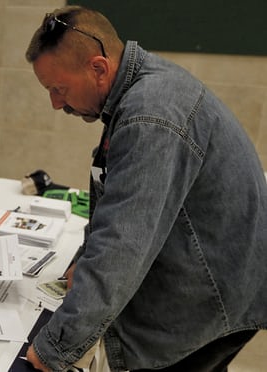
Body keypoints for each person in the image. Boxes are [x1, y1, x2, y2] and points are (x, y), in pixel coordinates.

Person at [24, 5, 267, 372]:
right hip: (222, 275)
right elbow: (116, 199)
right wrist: (83, 260)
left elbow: (122, 245)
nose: (56, 103)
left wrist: (55, 349)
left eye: (59, 89)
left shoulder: (150, 115)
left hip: (214, 293)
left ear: (98, 68)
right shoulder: (141, 87)